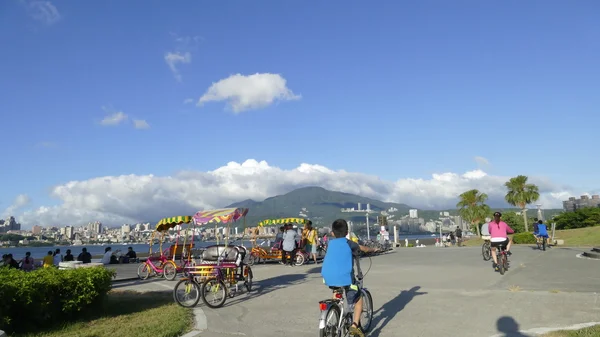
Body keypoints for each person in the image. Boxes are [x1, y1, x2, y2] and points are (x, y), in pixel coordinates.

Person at [321, 219, 378, 337]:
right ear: (347, 232)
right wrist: (373, 249)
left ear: (332, 233)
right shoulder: (348, 243)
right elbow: (362, 248)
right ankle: (354, 326)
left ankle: (335, 309)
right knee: (358, 298)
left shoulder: (330, 243)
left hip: (327, 277)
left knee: (337, 290)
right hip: (346, 278)